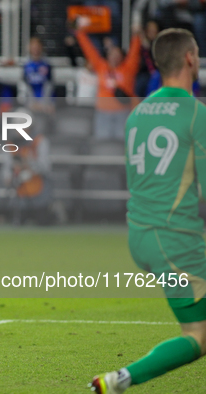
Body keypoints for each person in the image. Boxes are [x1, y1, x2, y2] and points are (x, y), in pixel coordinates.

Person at [90, 28, 206, 393]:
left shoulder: (137, 115)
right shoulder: (195, 114)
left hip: (143, 240)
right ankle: (119, 380)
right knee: (199, 336)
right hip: (175, 242)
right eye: (198, 54)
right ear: (189, 58)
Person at [74, 20, 141, 140]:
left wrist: (136, 35)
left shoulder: (128, 68)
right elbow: (89, 49)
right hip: (102, 113)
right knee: (102, 145)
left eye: (117, 54)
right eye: (112, 54)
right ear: (107, 56)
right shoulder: (101, 66)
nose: (114, 57)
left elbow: (135, 53)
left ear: (122, 56)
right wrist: (79, 32)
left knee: (121, 145)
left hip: (123, 113)